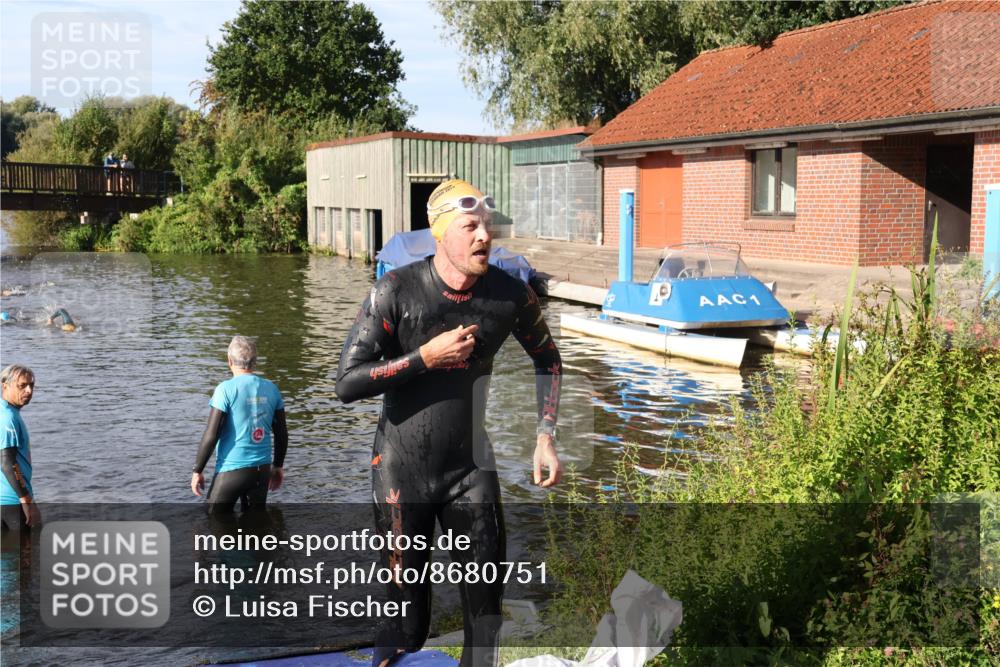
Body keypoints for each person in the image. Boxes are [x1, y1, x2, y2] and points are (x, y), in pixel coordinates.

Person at [336, 178, 562, 667]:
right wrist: (423, 358)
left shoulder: (510, 297)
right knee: (406, 622)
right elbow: (347, 383)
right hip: (400, 473)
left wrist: (545, 436)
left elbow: (549, 359)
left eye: (487, 226)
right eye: (470, 226)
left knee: (484, 619)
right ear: (441, 233)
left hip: (469, 471)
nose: (484, 236)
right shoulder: (395, 291)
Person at [191, 335, 288, 513]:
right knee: (256, 527)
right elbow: (282, 434)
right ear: (255, 362)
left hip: (231, 470)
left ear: (229, 361)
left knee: (213, 521)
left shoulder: (225, 390)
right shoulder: (272, 389)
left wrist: (198, 470)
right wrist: (278, 466)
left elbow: (212, 435)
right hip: (262, 471)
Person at [1, 365, 40, 532]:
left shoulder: (5, 412)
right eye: (22, 385)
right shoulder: (8, 418)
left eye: (31, 385)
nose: (29, 390)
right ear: (5, 386)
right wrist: (26, 501)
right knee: (28, 555)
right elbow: (7, 463)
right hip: (12, 503)